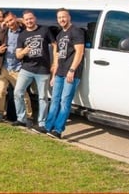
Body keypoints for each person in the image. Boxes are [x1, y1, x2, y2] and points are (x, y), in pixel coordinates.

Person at [45, 8, 85, 139]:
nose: (61, 19)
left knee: (65, 101)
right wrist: (54, 74)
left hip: (71, 73)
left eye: (64, 17)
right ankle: (48, 127)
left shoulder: (76, 31)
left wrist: (72, 70)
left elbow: (79, 52)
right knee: (54, 100)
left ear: (69, 17)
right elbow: (57, 55)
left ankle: (58, 129)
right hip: (60, 73)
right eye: (59, 18)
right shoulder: (60, 34)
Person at [14, 10, 56, 132]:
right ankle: (21, 118)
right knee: (18, 92)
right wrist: (23, 52)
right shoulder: (22, 35)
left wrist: (55, 62)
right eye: (26, 19)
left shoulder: (45, 30)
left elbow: (54, 45)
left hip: (43, 69)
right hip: (27, 69)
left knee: (43, 97)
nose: (29, 21)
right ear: (23, 21)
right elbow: (18, 55)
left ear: (35, 18)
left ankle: (42, 123)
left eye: (31, 18)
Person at [0, 11, 31, 122]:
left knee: (22, 93)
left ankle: (28, 116)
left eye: (11, 20)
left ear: (15, 18)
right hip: (3, 67)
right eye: (7, 21)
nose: (10, 23)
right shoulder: (3, 32)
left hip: (18, 68)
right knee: (0, 91)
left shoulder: (24, 32)